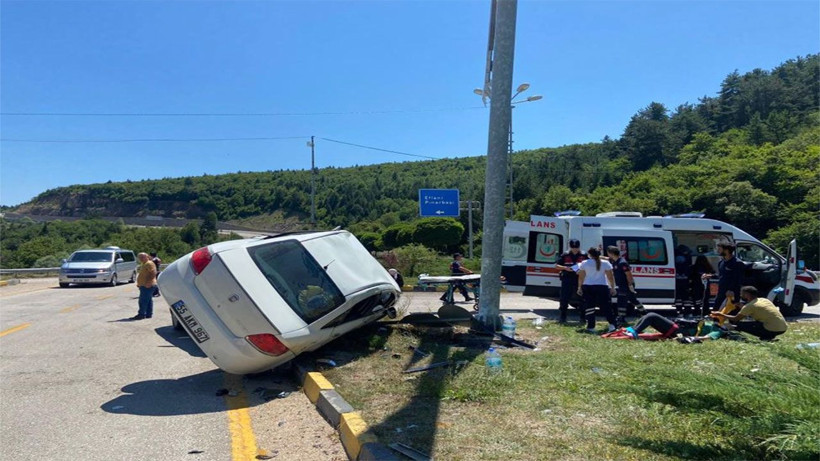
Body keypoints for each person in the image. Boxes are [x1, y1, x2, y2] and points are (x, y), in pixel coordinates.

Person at [712, 285, 788, 340]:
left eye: (742, 293)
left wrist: (720, 314)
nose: (741, 295)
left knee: (735, 325)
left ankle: (767, 335)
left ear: (747, 295)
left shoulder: (749, 306)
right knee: (755, 323)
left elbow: (735, 319)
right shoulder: (764, 300)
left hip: (772, 328)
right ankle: (767, 337)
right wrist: (743, 307)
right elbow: (758, 310)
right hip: (783, 328)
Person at [577, 247, 617, 333]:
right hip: (602, 286)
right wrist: (613, 287)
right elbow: (610, 277)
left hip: (588, 286)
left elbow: (581, 276)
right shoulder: (606, 263)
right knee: (607, 307)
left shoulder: (584, 263)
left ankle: (591, 327)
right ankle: (612, 324)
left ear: (589, 254)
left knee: (590, 307)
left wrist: (579, 287)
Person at [606, 245, 645, 326]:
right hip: (622, 285)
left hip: (626, 285)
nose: (608, 255)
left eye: (608, 253)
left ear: (611, 253)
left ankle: (621, 318)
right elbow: (606, 258)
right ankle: (644, 313)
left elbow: (628, 275)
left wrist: (630, 285)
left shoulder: (622, 262)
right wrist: (596, 256)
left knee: (621, 301)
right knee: (633, 300)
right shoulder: (615, 260)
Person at [701, 242, 745, 313]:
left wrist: (731, 290)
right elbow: (721, 275)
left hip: (732, 292)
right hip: (721, 290)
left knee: (732, 311)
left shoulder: (737, 263)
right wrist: (710, 276)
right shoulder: (721, 262)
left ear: (726, 250)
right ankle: (716, 323)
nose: (718, 250)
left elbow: (738, 279)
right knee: (716, 309)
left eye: (719, 249)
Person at [555, 239, 588, 324]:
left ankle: (583, 318)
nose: (574, 249)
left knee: (582, 298)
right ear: (570, 247)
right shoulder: (565, 255)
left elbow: (589, 265)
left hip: (580, 279)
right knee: (564, 298)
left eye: (576, 247)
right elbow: (557, 266)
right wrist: (565, 268)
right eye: (573, 247)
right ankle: (563, 317)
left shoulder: (584, 255)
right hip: (567, 278)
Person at [133, 252, 157, 320]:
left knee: (142, 300)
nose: (141, 259)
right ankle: (148, 314)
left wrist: (149, 282)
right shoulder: (144, 264)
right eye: (140, 257)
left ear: (147, 256)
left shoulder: (149, 263)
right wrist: (139, 283)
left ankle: (141, 314)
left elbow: (153, 273)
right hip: (144, 285)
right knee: (148, 300)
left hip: (148, 285)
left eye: (143, 257)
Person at [673, 244, 694, 317]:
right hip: (685, 280)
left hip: (677, 280)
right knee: (686, 297)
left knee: (678, 297)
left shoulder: (675, 256)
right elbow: (689, 267)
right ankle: (688, 312)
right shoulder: (687, 257)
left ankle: (679, 311)